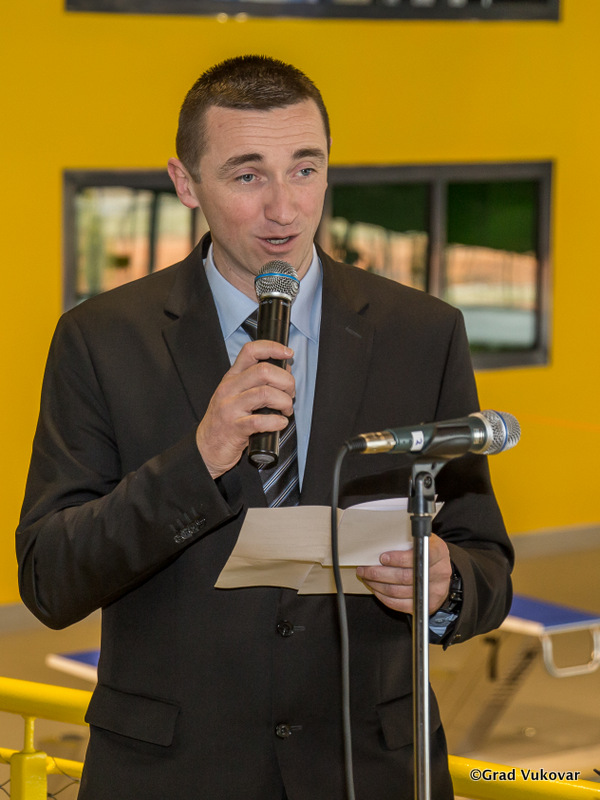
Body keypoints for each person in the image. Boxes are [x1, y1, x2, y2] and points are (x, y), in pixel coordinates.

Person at [16, 55, 513, 800]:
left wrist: (445, 585)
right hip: (174, 774)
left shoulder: (423, 333)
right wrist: (199, 458)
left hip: (367, 768)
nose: (285, 208)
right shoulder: (101, 340)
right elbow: (49, 580)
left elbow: (487, 564)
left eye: (305, 169)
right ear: (186, 183)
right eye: (248, 175)